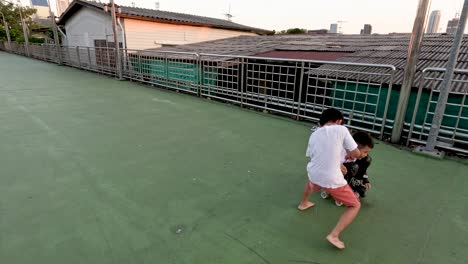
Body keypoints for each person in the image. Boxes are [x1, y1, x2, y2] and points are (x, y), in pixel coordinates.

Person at [298, 108, 361, 249]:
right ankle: (334, 235)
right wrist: (358, 154)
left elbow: (314, 155)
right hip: (332, 179)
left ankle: (303, 203)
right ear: (339, 121)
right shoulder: (342, 129)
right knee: (355, 205)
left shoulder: (314, 135)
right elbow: (356, 153)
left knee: (312, 183)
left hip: (313, 172)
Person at [342, 132, 374, 198]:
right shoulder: (342, 153)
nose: (366, 155)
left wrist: (365, 180)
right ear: (355, 148)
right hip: (338, 176)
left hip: (350, 177)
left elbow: (363, 170)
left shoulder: (364, 159)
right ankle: (342, 189)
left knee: (362, 189)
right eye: (365, 152)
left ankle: (352, 189)